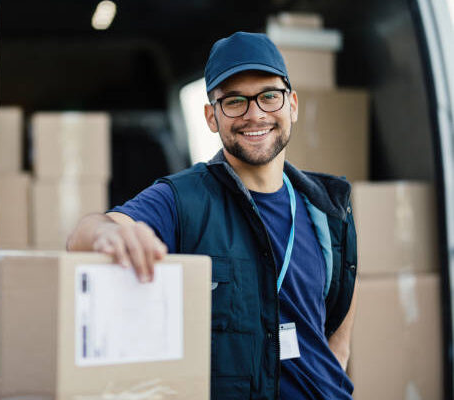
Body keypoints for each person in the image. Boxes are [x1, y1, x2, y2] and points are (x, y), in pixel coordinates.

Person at [67, 31, 358, 400]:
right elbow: (85, 233)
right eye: (235, 101)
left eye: (269, 96)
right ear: (211, 116)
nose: (255, 114)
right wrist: (106, 236)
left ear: (292, 105)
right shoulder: (182, 199)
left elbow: (338, 344)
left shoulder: (329, 209)